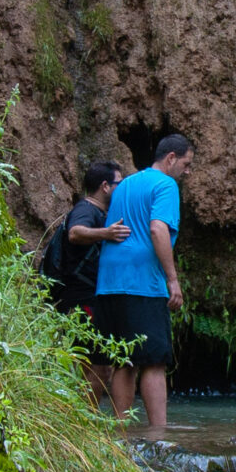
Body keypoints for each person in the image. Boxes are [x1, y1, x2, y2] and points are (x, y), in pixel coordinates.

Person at [93, 134, 192, 436]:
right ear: (171, 158)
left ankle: (121, 433)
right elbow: (157, 229)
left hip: (109, 282)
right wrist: (172, 279)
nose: (188, 171)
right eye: (186, 164)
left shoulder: (126, 184)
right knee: (154, 361)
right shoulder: (166, 185)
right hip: (142, 283)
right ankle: (159, 436)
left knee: (123, 360)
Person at [45, 161, 130, 404]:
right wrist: (106, 233)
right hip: (81, 300)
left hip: (89, 299)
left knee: (99, 365)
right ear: (105, 186)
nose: (121, 188)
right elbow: (75, 232)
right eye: (118, 183)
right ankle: (85, 420)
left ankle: (86, 418)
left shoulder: (99, 212)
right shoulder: (87, 209)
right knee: (94, 364)